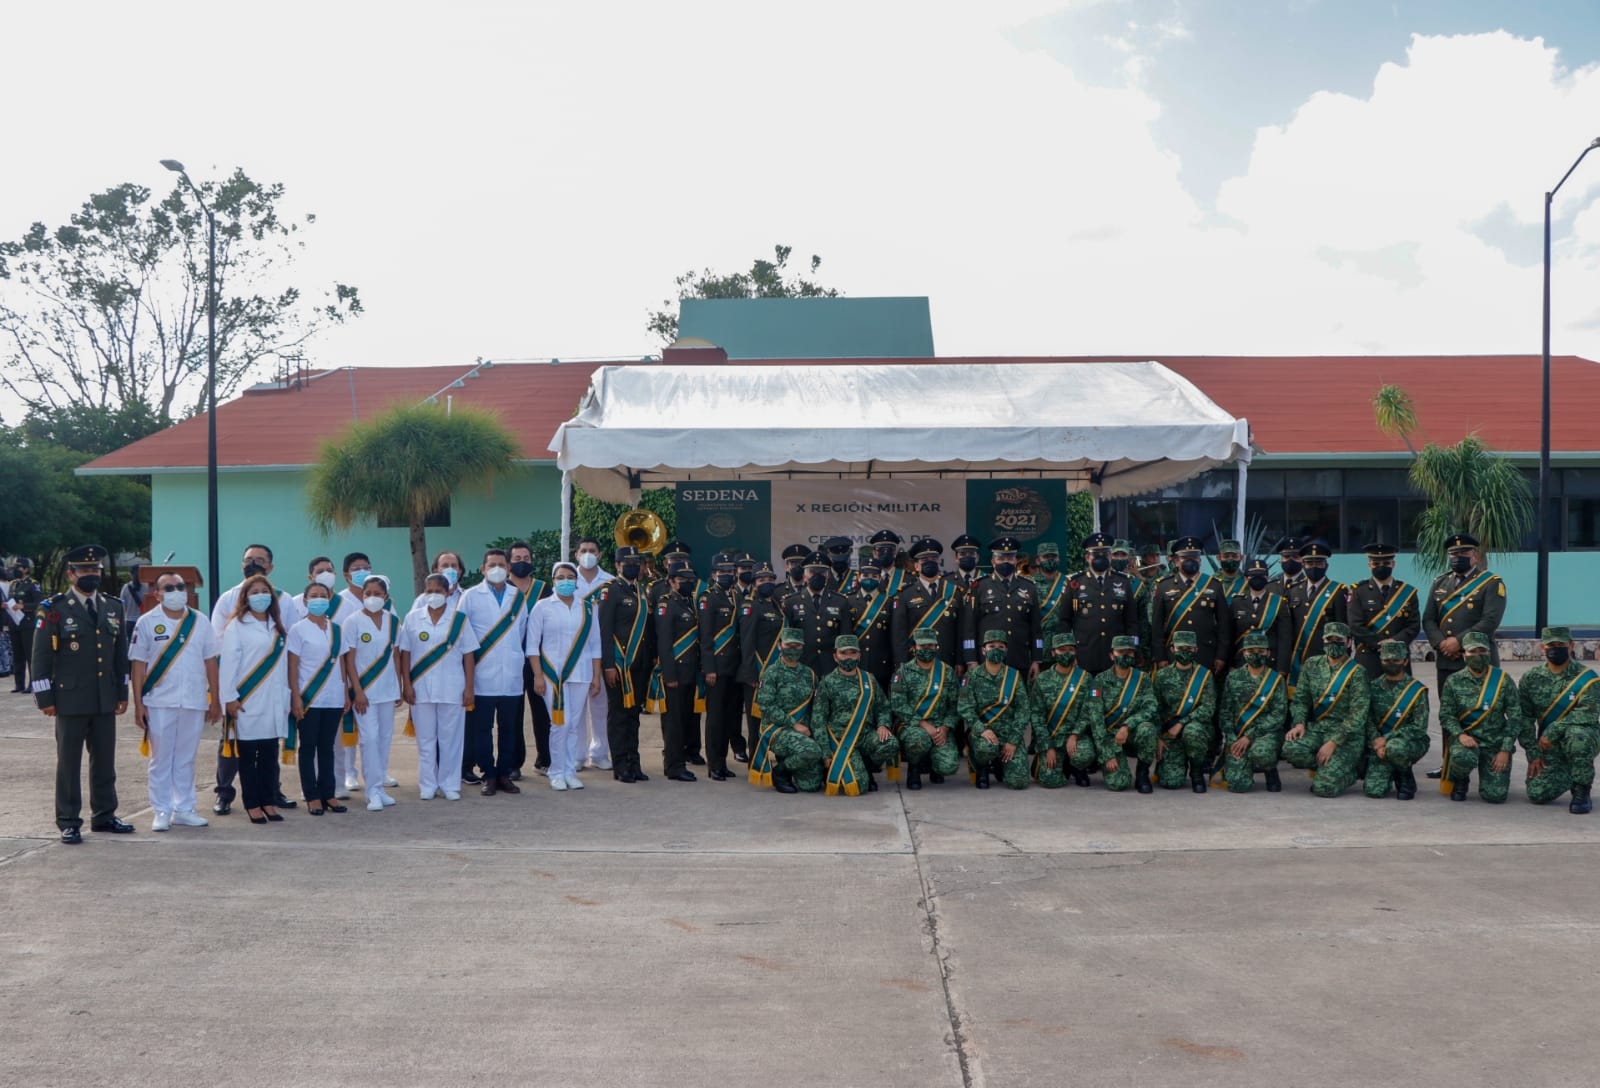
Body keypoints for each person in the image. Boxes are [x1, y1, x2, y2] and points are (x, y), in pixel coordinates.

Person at [33, 545, 135, 842]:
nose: (91, 575)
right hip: (69, 699)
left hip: (104, 698)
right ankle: (68, 820)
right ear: (71, 574)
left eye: (96, 570)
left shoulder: (113, 606)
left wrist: (122, 691)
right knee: (69, 763)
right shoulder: (53, 609)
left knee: (104, 761)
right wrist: (45, 698)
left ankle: (104, 815)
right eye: (85, 570)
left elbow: (120, 655)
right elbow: (40, 658)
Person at [210, 544, 301, 814]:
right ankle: (224, 792)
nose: (253, 563)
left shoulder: (284, 600)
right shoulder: (228, 598)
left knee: (269, 745)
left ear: (270, 567)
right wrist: (225, 693)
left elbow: (292, 643)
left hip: (273, 686)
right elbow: (218, 642)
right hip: (242, 685)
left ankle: (271, 793)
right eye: (248, 559)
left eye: (260, 560)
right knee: (234, 744)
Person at [129, 569, 222, 830]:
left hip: (193, 699)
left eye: (179, 587)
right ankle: (161, 809)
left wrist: (215, 698)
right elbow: (138, 665)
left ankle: (184, 808)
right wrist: (138, 704)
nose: (175, 592)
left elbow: (211, 661)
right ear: (156, 594)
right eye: (168, 588)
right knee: (161, 758)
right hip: (159, 700)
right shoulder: (147, 622)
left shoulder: (200, 621)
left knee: (186, 757)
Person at [1422, 532, 1506, 779]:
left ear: (1475, 555)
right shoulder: (1440, 583)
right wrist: (1441, 643)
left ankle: (1488, 763)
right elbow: (1428, 619)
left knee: (1486, 712)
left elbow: (1490, 620)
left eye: (1463, 553)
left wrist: (1458, 641)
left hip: (1479, 661)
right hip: (1447, 660)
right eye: (1453, 554)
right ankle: (1449, 762)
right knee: (1450, 713)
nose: (1457, 557)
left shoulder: (1491, 583)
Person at [217, 574, 290, 825]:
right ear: (246, 598)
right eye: (254, 592)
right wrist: (229, 699)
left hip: (274, 701)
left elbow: (281, 667)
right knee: (248, 757)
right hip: (246, 701)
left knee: (270, 755)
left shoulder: (277, 624)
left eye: (264, 591)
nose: (260, 596)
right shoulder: (237, 625)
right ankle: (252, 804)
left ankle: (268, 801)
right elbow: (227, 665)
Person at [399, 573, 479, 801]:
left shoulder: (459, 620)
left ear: (448, 593)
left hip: (452, 687)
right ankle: (427, 784)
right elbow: (405, 653)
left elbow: (469, 655)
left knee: (450, 740)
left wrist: (469, 687)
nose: (434, 595)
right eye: (430, 591)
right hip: (420, 688)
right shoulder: (413, 618)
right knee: (425, 740)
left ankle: (450, 784)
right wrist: (406, 684)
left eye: (439, 591)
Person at [460, 548, 530, 795]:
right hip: (482, 674)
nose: (497, 569)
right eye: (492, 565)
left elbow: (521, 631)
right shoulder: (470, 596)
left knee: (510, 728)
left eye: (502, 564)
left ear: (508, 568)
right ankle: (488, 774)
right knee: (483, 729)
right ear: (483, 569)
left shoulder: (517, 596)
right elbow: (463, 634)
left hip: (511, 673)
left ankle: (504, 773)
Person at [527, 561, 602, 792]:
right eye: (561, 577)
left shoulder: (588, 607)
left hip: (581, 673)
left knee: (573, 726)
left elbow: (595, 645)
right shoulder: (542, 607)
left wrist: (596, 677)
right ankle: (556, 771)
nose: (566, 581)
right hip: (552, 675)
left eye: (570, 577)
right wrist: (538, 675)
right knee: (559, 723)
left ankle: (570, 771)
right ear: (554, 580)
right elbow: (532, 646)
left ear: (576, 581)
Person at [1282, 622, 1371, 798]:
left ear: (1348, 642)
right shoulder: (1312, 664)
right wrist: (1299, 723)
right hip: (1318, 729)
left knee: (1324, 789)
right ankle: (1329, 766)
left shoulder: (1357, 672)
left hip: (1346, 737)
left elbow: (1358, 715)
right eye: (1329, 639)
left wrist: (1333, 743)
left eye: (1339, 640)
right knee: (1290, 748)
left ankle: (1352, 770)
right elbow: (1301, 699)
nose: (1333, 643)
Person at [1519, 626, 1600, 814]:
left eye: (1560, 644)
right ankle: (1570, 773)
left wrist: (1553, 730)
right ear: (1542, 648)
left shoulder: (1588, 679)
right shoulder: (1531, 678)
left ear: (1571, 645)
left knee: (1578, 737)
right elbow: (1525, 718)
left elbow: (1588, 714)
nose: (1555, 648)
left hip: (1583, 735)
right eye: (1550, 645)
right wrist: (1534, 754)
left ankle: (1581, 790)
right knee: (1538, 794)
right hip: (1549, 745)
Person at [286, 578, 350, 814]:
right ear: (305, 601)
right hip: (309, 698)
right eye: (314, 596)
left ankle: (329, 794)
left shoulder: (336, 629)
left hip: (333, 697)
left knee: (327, 747)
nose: (319, 600)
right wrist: (296, 697)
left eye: (323, 596)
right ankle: (312, 795)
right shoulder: (298, 629)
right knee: (308, 747)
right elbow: (292, 667)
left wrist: (345, 692)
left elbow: (342, 663)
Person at [1438, 630, 1522, 803]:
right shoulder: (1454, 681)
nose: (1477, 656)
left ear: (1489, 653)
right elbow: (1446, 715)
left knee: (1495, 796)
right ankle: (1461, 779)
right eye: (1472, 652)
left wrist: (1505, 750)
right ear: (1464, 655)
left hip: (1495, 743)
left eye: (1481, 651)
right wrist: (1460, 735)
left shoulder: (1502, 680)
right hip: (1467, 740)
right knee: (1463, 757)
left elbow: (1515, 717)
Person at [342, 574, 401, 812]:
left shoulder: (394, 621)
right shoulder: (352, 621)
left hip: (388, 689)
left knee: (385, 739)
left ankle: (380, 788)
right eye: (368, 594)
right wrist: (357, 690)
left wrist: (400, 686)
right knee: (369, 739)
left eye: (377, 594)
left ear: (385, 597)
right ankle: (372, 791)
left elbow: (396, 655)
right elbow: (349, 660)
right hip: (364, 692)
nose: (372, 598)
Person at [811, 634, 897, 795]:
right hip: (841, 740)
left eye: (852, 652)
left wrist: (883, 724)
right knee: (858, 787)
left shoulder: (869, 679)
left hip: (865, 736)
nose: (848, 657)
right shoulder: (827, 682)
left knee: (890, 743)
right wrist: (825, 752)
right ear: (835, 656)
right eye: (843, 653)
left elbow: (882, 707)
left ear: (859, 655)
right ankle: (846, 770)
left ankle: (867, 767)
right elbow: (818, 720)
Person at [598, 546, 654, 783]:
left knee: (633, 716)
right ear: (618, 565)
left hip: (639, 664)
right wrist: (608, 665)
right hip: (619, 666)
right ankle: (620, 766)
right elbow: (605, 629)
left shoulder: (641, 590)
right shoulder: (611, 590)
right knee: (619, 716)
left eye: (636, 562)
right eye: (627, 562)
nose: (632, 566)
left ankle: (634, 763)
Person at [748, 628, 822, 793]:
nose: (793, 649)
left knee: (811, 785)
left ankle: (792, 762)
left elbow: (816, 706)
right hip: (777, 730)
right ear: (780, 646)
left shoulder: (809, 674)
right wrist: (793, 724)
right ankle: (780, 772)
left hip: (804, 731)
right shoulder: (771, 673)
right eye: (789, 645)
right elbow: (766, 706)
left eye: (797, 646)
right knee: (811, 751)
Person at [1214, 632, 1288, 793]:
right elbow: (1225, 711)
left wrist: (1249, 737)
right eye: (1251, 651)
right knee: (1238, 786)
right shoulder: (1233, 678)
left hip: (1265, 735)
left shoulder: (1276, 679)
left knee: (1262, 752)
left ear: (1268, 652)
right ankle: (1239, 767)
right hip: (1238, 735)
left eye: (1260, 651)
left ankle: (1270, 769)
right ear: (1244, 653)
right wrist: (1232, 739)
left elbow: (1278, 715)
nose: (1255, 655)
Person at [958, 629, 1031, 789]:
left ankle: (1000, 764)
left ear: (1006, 650)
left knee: (1019, 782)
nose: (996, 650)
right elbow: (965, 708)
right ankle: (981, 768)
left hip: (1008, 732)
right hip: (983, 733)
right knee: (986, 747)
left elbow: (1023, 710)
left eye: (1001, 647)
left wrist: (1013, 740)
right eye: (992, 646)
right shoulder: (972, 676)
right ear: (983, 650)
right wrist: (981, 730)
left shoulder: (1014, 675)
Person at [959, 537, 1042, 676]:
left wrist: (1036, 659)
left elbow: (1036, 629)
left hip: (1019, 658)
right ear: (993, 562)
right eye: (1001, 558)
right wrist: (971, 660)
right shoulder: (979, 586)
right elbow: (969, 628)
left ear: (1016, 561)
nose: (1006, 562)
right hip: (987, 660)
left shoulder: (1029, 587)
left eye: (1010, 558)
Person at [1028, 632, 1100, 789]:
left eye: (1070, 650)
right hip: (1052, 737)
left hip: (1076, 737)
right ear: (1053, 652)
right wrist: (1048, 747)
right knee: (1050, 781)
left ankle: (1077, 768)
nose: (1067, 654)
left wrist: (1075, 735)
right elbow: (1037, 716)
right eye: (1062, 650)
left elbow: (1089, 711)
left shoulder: (1085, 678)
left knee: (1084, 755)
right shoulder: (1043, 679)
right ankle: (1058, 764)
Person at [890, 629, 960, 789]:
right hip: (912, 725)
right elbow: (898, 704)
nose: (927, 649)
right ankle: (914, 768)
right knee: (918, 740)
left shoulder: (947, 672)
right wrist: (923, 724)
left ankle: (935, 766)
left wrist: (945, 727)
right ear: (914, 648)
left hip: (940, 727)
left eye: (930, 645)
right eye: (922, 646)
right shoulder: (903, 672)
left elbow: (956, 705)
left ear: (936, 647)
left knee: (949, 766)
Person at [1149, 536, 1230, 673]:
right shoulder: (1163, 586)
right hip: (1173, 653)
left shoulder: (1214, 585)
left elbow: (1224, 625)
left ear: (1200, 560)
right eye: (1185, 558)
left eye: (1194, 557)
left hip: (1205, 653)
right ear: (1176, 561)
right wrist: (1160, 657)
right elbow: (1157, 626)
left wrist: (1221, 656)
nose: (1190, 561)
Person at [1089, 635, 1159, 792]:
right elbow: (1096, 720)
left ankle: (1142, 774)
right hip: (1110, 738)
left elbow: (1150, 707)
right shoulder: (1099, 681)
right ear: (1112, 655)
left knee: (1148, 729)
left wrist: (1127, 726)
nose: (1125, 656)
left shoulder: (1143, 679)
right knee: (1119, 783)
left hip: (1132, 733)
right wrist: (1107, 754)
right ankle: (1102, 761)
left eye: (1129, 652)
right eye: (1121, 652)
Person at [504, 541, 551, 779]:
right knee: (513, 713)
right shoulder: (502, 589)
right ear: (508, 563)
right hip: (511, 660)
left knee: (542, 710)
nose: (522, 562)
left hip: (539, 662)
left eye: (526, 558)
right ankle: (513, 763)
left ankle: (545, 759)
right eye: (517, 558)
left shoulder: (544, 589)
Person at [1065, 531, 1140, 676]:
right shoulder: (1075, 582)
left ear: (1110, 556)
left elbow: (1131, 622)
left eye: (1105, 554)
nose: (1101, 558)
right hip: (1085, 655)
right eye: (1096, 554)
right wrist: (1069, 653)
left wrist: (1132, 648)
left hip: (1116, 656)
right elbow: (1064, 621)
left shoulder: (1123, 582)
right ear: (1088, 557)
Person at [1363, 639, 1430, 801]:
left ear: (1405, 661)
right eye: (1386, 660)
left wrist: (1385, 739)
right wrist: (1375, 742)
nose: (1391, 663)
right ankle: (1388, 769)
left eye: (1396, 660)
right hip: (1378, 746)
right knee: (1374, 791)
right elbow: (1367, 719)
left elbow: (1418, 727)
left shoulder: (1417, 690)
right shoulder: (1372, 687)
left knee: (1395, 748)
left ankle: (1404, 774)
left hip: (1408, 743)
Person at [698, 554, 744, 778]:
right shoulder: (709, 598)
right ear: (714, 573)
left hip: (735, 668)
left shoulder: (737, 596)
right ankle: (714, 764)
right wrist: (709, 668)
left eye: (729, 571)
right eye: (722, 572)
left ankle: (723, 762)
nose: (726, 575)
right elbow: (705, 637)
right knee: (715, 719)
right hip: (717, 668)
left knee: (729, 718)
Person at [1153, 630, 1218, 792]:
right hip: (1169, 733)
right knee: (1171, 782)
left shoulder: (1204, 675)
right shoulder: (1162, 676)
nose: (1185, 652)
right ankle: (1171, 763)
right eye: (1181, 648)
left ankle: (1197, 771)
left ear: (1196, 650)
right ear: (1172, 649)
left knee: (1192, 731)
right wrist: (1158, 737)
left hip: (1195, 728)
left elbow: (1207, 708)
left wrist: (1182, 723)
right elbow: (1154, 709)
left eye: (1189, 649)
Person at [654, 562, 702, 782]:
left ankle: (679, 759)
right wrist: (669, 675)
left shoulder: (689, 603)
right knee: (673, 721)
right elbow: (664, 643)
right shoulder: (666, 604)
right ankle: (673, 766)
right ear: (671, 582)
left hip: (690, 672)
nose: (688, 584)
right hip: (675, 673)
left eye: (690, 580)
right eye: (682, 580)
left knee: (684, 719)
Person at [1345, 543, 1421, 678]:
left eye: (1386, 563)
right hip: (1368, 657)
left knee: (1399, 698)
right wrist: (1380, 643)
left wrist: (1394, 641)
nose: (1381, 566)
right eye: (1376, 563)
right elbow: (1355, 625)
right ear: (1370, 565)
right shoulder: (1358, 591)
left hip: (1399, 657)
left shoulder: (1407, 592)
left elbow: (1413, 625)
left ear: (1393, 564)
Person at [568, 537, 612, 769]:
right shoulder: (566, 579)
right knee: (576, 707)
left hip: (600, 650)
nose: (587, 554)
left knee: (600, 705)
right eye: (583, 550)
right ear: (576, 555)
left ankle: (600, 753)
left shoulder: (610, 582)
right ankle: (577, 755)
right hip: (573, 650)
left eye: (592, 550)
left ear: (600, 554)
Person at [735, 561, 784, 761]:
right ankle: (756, 762)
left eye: (770, 579)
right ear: (754, 583)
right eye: (762, 580)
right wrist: (750, 673)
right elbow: (747, 642)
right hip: (758, 672)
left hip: (776, 673)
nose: (767, 583)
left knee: (778, 719)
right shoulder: (750, 605)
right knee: (756, 722)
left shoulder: (777, 605)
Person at [890, 539, 961, 669]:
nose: (930, 562)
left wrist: (960, 661)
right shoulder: (905, 594)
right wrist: (901, 664)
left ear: (938, 561)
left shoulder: (953, 592)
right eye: (924, 560)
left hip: (946, 661)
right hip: (916, 662)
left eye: (933, 558)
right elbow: (899, 634)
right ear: (916, 566)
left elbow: (960, 631)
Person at [1287, 541, 1345, 695]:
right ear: (1303, 565)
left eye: (1318, 563)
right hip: (1297, 659)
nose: (1313, 567)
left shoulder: (1337, 592)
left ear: (1326, 565)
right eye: (1309, 563)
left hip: (1324, 657)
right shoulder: (1293, 591)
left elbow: (1343, 628)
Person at [782, 551, 852, 677]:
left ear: (828, 576)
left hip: (832, 669)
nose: (817, 576)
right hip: (802, 668)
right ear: (804, 575)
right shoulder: (791, 602)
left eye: (822, 572)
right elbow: (787, 640)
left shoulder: (840, 601)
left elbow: (845, 639)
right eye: (813, 572)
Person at [1227, 559, 1292, 672]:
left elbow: (1285, 638)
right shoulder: (1237, 602)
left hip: (1269, 663)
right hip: (1242, 662)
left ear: (1267, 578)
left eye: (1261, 575)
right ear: (1246, 579)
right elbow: (1230, 635)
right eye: (1253, 575)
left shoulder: (1278, 603)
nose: (1257, 578)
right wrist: (1230, 663)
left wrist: (1282, 668)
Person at [847, 556, 895, 694]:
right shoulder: (848, 601)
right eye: (866, 575)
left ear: (880, 579)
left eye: (874, 576)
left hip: (881, 664)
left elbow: (893, 636)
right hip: (856, 663)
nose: (870, 579)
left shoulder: (888, 602)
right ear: (859, 577)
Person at [9, 557, 45, 694]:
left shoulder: (33, 584)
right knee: (17, 655)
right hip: (15, 623)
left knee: (30, 655)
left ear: (26, 569)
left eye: (18, 567)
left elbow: (38, 603)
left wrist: (23, 606)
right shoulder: (13, 584)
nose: (15, 570)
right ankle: (19, 684)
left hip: (28, 623)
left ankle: (33, 683)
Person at [1031, 542, 1071, 645]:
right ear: (1038, 560)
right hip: (1039, 642)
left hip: (1063, 643)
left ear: (1059, 559)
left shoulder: (1068, 583)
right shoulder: (1030, 584)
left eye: (1053, 556)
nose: (1050, 559)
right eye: (1046, 557)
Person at [293, 556, 347, 622]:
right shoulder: (295, 603)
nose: (326, 574)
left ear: (334, 574)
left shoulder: (347, 605)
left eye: (329, 571)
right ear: (310, 578)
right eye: (320, 572)